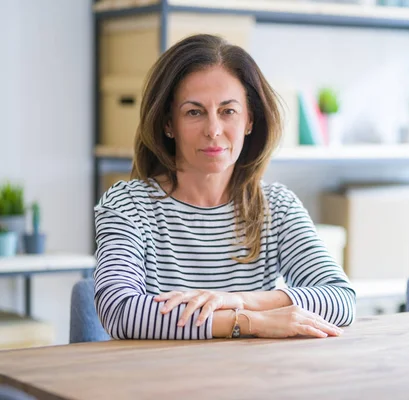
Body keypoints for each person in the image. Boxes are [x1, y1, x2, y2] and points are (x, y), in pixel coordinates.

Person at [94, 34, 356, 340]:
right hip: (160, 381)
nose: (213, 130)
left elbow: (341, 299)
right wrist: (248, 321)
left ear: (249, 121)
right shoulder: (127, 205)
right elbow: (120, 312)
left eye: (228, 111)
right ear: (168, 124)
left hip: (254, 380)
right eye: (194, 112)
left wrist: (240, 299)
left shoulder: (276, 206)